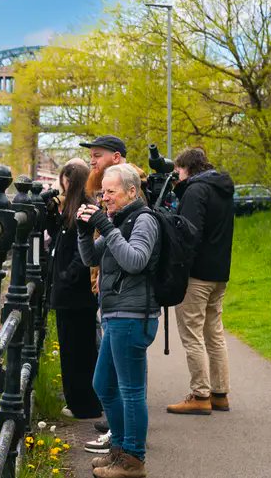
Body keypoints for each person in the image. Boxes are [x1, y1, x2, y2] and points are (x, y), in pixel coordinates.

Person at [77, 163, 160, 478]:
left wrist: (106, 226)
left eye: (110, 192)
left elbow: (136, 261)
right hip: (115, 313)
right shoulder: (121, 221)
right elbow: (90, 258)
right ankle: (120, 450)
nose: (104, 198)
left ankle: (133, 459)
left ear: (131, 191)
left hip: (133, 315)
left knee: (130, 390)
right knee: (104, 385)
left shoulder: (143, 221)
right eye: (102, 192)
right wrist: (84, 232)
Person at [166, 147, 235, 415]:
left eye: (178, 173)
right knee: (214, 333)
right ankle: (220, 393)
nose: (177, 178)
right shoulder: (222, 188)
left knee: (192, 333)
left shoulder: (196, 190)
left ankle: (200, 394)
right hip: (219, 272)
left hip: (196, 274)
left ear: (187, 169)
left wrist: (178, 269)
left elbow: (188, 234)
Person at [44, 158, 103, 420]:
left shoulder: (83, 208)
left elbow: (84, 248)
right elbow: (59, 235)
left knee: (76, 349)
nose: (62, 187)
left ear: (72, 181)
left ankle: (83, 405)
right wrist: (48, 211)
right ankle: (83, 401)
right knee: (78, 348)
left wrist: (67, 276)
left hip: (74, 292)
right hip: (72, 291)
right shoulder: (76, 207)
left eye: (64, 182)